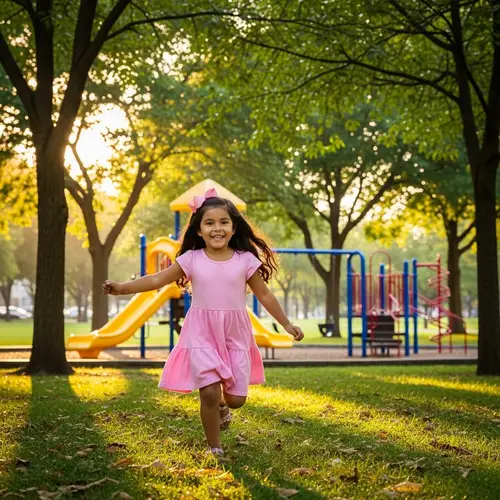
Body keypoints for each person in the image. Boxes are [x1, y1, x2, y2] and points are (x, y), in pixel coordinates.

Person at [102, 188, 304, 457]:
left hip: (234, 334)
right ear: (199, 230)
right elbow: (155, 279)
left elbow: (264, 294)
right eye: (209, 222)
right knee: (208, 391)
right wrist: (121, 288)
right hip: (200, 333)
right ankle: (215, 447)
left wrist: (287, 324)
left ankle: (224, 406)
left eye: (223, 222)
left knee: (236, 399)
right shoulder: (191, 259)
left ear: (234, 228)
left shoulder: (245, 260)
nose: (216, 228)